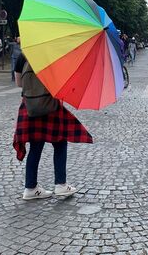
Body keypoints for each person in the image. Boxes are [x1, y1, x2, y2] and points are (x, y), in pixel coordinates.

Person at [13, 52, 93, 200]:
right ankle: (61, 185)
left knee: (35, 147)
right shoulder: (53, 53)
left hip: (31, 106)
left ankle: (30, 187)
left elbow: (19, 83)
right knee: (60, 143)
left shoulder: (23, 55)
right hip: (51, 106)